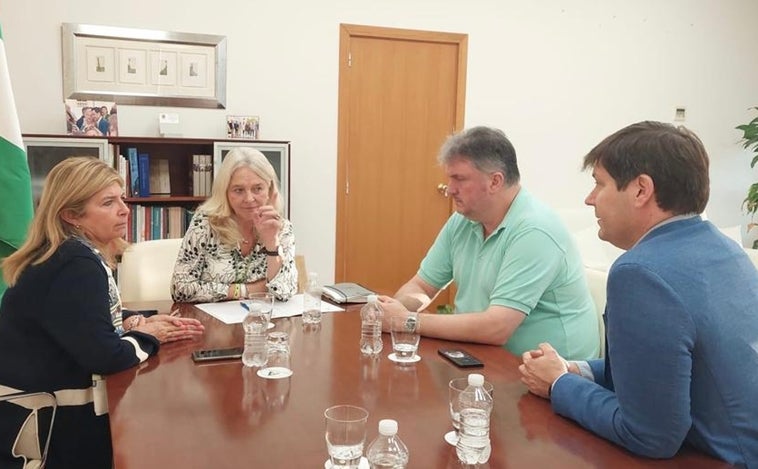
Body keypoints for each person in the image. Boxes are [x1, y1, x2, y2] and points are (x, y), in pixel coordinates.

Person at [519, 121, 758, 466]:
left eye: (599, 184)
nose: (589, 199)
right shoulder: (726, 250)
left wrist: (558, 384)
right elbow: (671, 369)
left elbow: (651, 434)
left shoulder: (640, 272)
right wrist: (575, 369)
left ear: (641, 190)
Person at [0, 157, 205, 468]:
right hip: (49, 426)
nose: (124, 209)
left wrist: (131, 320)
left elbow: (75, 318)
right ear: (71, 215)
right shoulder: (75, 263)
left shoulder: (65, 252)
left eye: (121, 198)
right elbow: (106, 357)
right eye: (108, 202)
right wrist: (147, 335)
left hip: (34, 406)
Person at [378, 126, 599, 360]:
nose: (450, 190)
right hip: (484, 357)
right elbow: (422, 288)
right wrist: (397, 310)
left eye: (460, 179)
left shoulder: (535, 230)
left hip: (554, 376)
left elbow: (498, 327)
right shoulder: (463, 221)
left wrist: (408, 321)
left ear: (495, 181)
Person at [171, 147, 297, 302]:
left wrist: (272, 243)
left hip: (262, 320)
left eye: (258, 188)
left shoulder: (281, 228)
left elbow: (286, 290)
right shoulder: (205, 223)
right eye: (238, 190)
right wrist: (248, 289)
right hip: (210, 322)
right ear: (225, 192)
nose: (249, 198)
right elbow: (180, 289)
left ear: (270, 190)